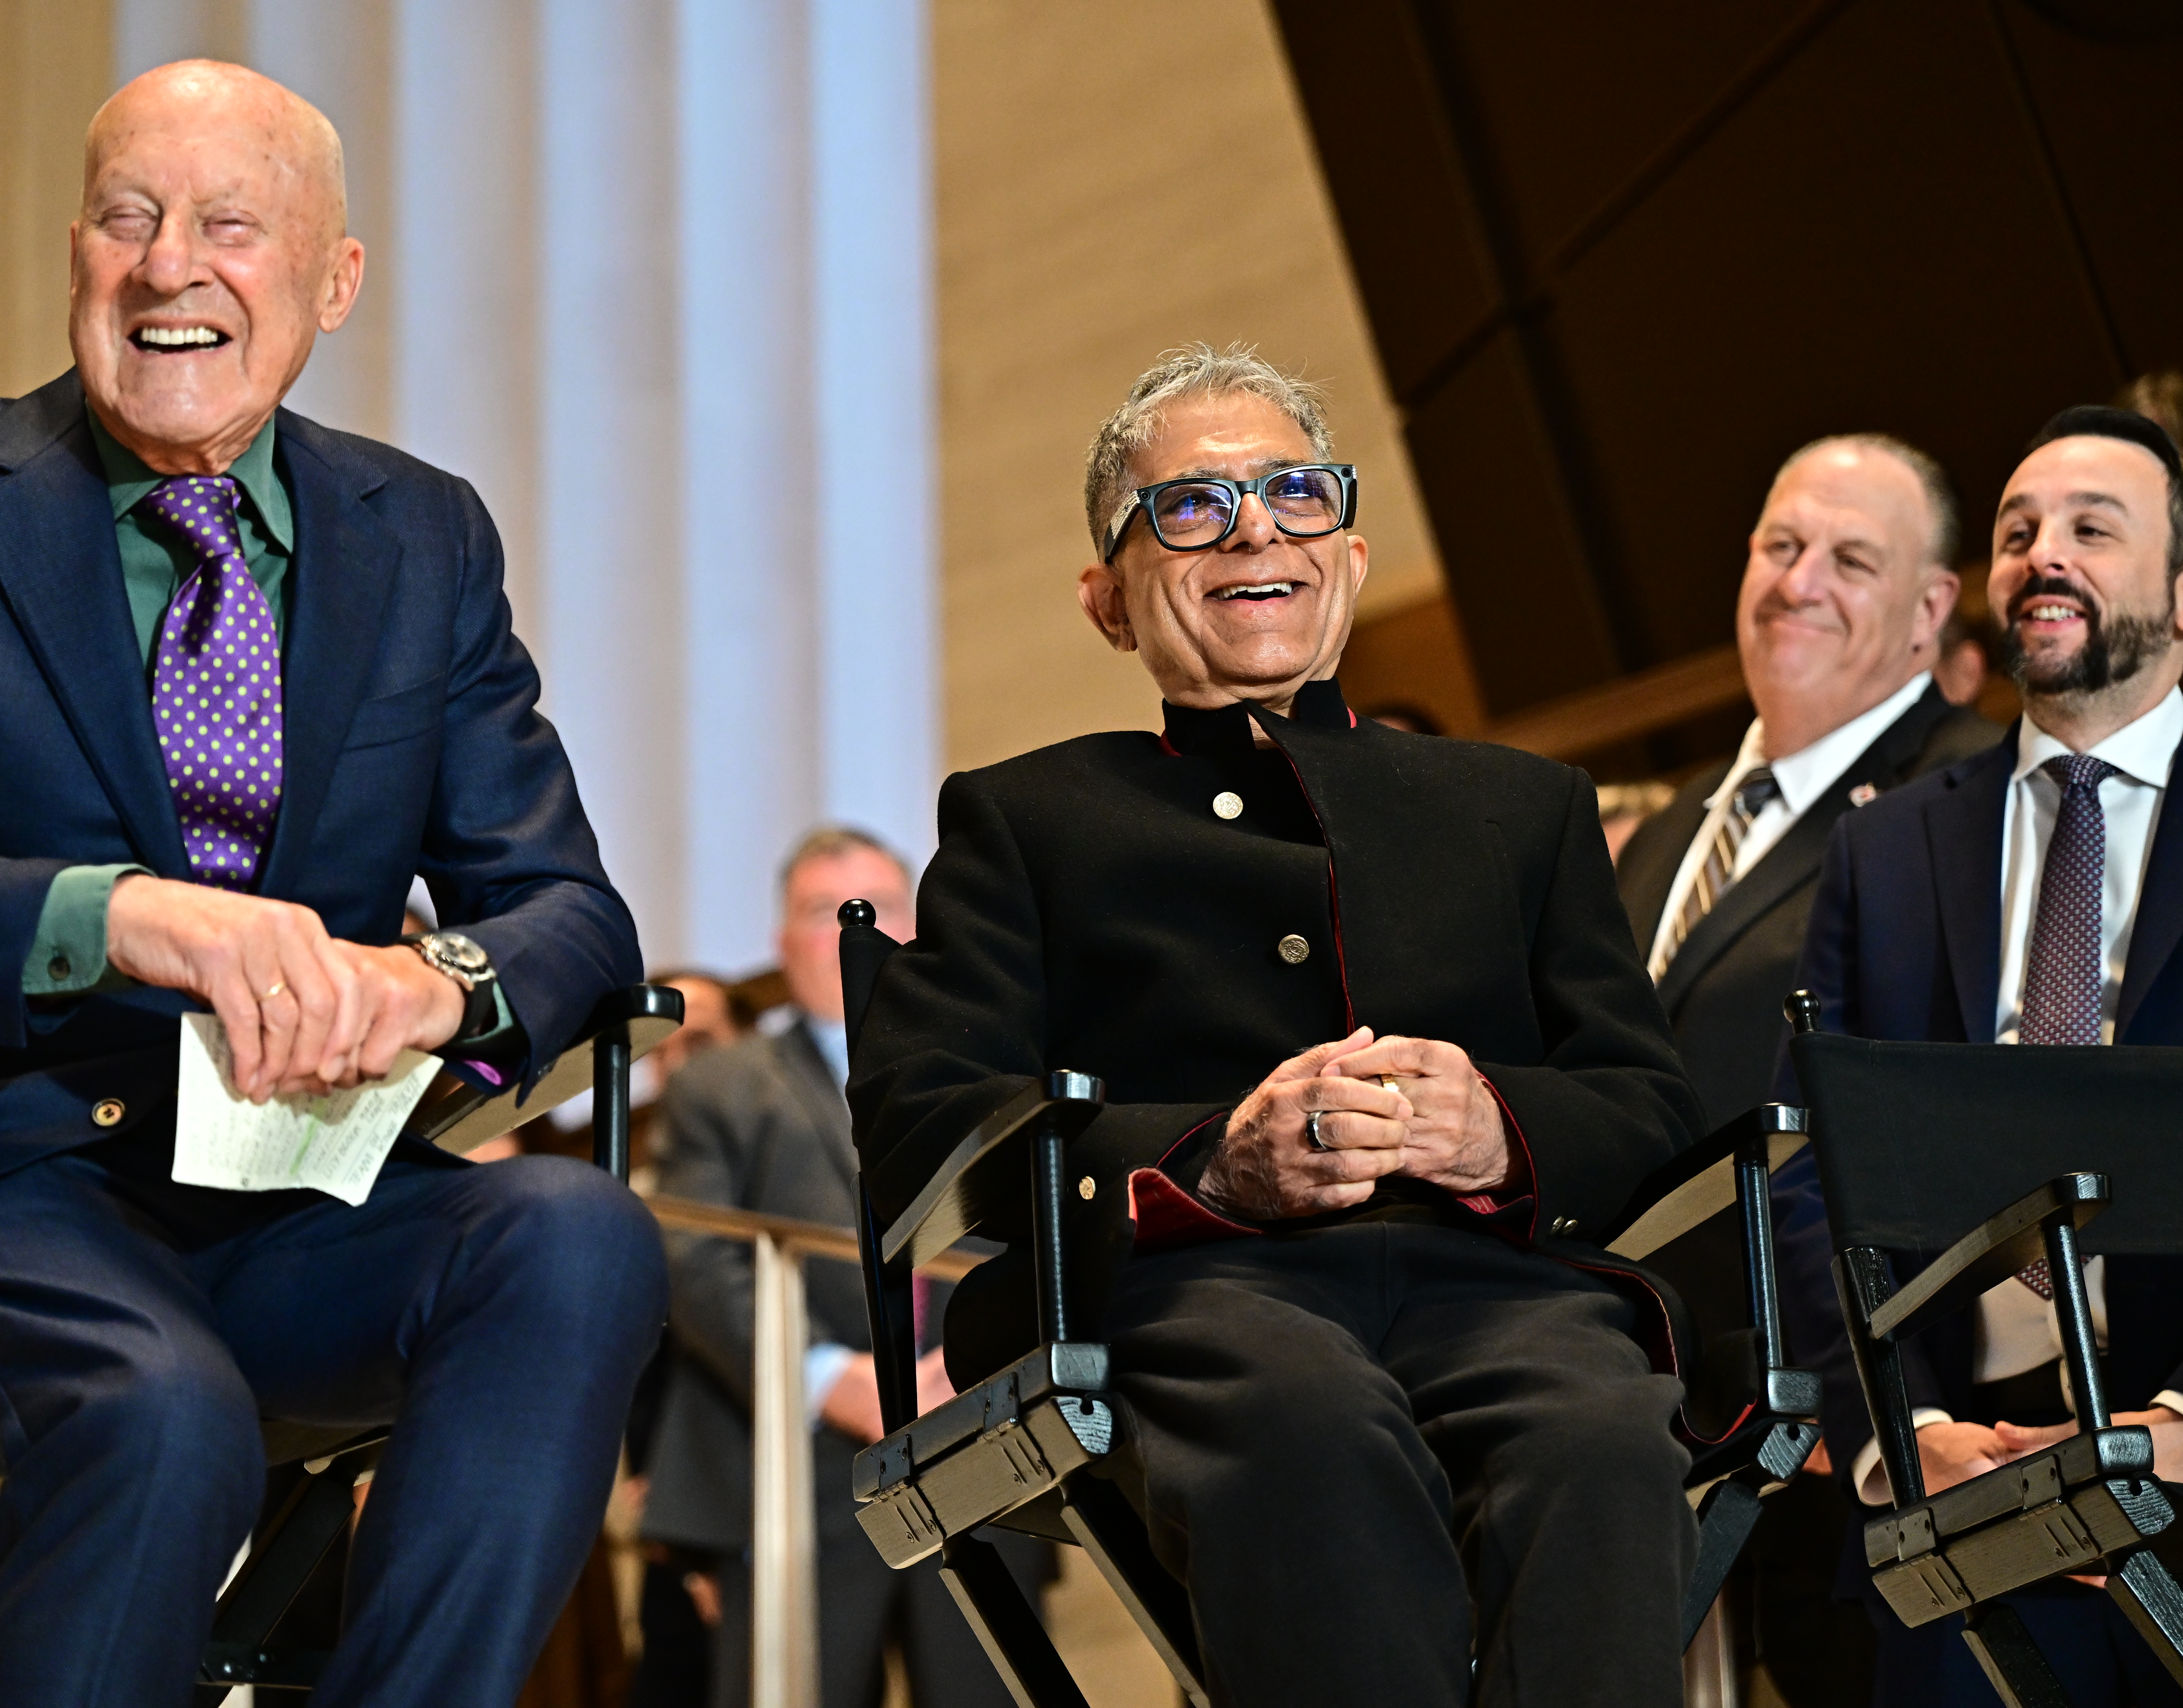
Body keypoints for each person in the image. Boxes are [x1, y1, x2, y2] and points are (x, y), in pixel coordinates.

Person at [0, 61, 663, 1708]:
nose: (168, 270)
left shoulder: (422, 540)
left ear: (334, 281)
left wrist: (440, 989)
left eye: (232, 226)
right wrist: (110, 913)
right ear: (76, 250)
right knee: (164, 1411)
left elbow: (571, 912)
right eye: (128, 221)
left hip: (298, 1199)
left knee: (577, 1235)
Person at [849, 343, 1705, 1706]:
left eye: (1296, 493)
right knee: (1303, 1420)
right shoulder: (1025, 819)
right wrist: (1210, 1158)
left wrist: (1503, 1126)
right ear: (1107, 601)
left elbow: (1650, 1104)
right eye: (1190, 507)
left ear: (1351, 559)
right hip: (1190, 1296)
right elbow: (925, 1124)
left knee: (1600, 1432)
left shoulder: (1518, 804)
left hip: (1498, 1284)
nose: (1256, 528)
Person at [1784, 405, 2183, 1708]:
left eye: (2090, 529)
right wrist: (1910, 1439)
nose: (2040, 555)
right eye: (2017, 533)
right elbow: (1809, 1181)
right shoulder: (1883, 854)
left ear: (2181, 591)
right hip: (1965, 1477)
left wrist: (2177, 1433)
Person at [641, 828, 1048, 1707]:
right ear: (783, 943)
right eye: (827, 913)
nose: (854, 932)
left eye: (878, 908)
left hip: (982, 1441)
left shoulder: (997, 1072)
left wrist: (977, 1362)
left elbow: (1041, 1234)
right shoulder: (722, 1085)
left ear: (919, 927)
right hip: (793, 1463)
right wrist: (826, 1380)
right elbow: (694, 1254)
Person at [1617, 434, 1998, 1130]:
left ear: (1930, 611)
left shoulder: (1974, 796)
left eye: (1851, 561)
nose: (1799, 585)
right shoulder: (1667, 829)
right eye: (1783, 547)